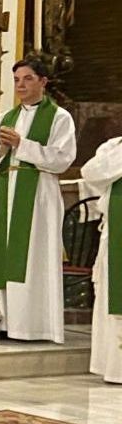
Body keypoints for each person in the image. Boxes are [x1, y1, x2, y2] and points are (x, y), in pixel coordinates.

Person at [0, 59, 76, 342]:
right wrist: (2, 148)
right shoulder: (6, 117)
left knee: (34, 257)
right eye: (17, 79)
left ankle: (35, 325)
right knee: (4, 256)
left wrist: (22, 145)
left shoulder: (59, 117)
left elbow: (62, 158)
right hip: (6, 187)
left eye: (28, 79)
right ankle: (7, 320)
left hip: (38, 194)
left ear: (43, 82)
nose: (21, 84)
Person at [81, 136, 122, 383]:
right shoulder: (113, 145)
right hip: (116, 231)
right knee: (111, 294)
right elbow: (91, 172)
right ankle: (115, 367)